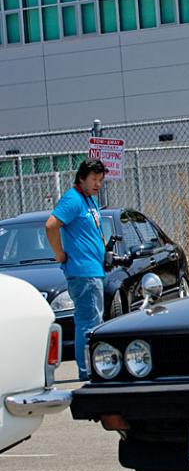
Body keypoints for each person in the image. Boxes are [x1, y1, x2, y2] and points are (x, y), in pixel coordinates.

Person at [45, 159, 108, 381]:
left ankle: (91, 368)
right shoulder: (73, 199)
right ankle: (87, 370)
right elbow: (51, 225)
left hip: (93, 270)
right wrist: (59, 254)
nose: (98, 184)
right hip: (83, 272)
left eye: (101, 180)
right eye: (94, 179)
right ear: (81, 178)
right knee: (89, 322)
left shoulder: (89, 199)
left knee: (93, 320)